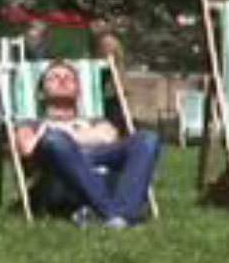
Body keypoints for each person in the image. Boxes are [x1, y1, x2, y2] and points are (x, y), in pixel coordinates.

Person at [13, 61, 159, 227]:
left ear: (79, 91)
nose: (63, 80)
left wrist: (62, 133)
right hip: (60, 178)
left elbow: (108, 138)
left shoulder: (96, 120)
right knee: (54, 141)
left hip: (99, 168)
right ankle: (117, 214)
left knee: (147, 138)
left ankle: (108, 214)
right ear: (41, 93)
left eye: (69, 78)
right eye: (53, 78)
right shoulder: (31, 123)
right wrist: (76, 136)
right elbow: (27, 148)